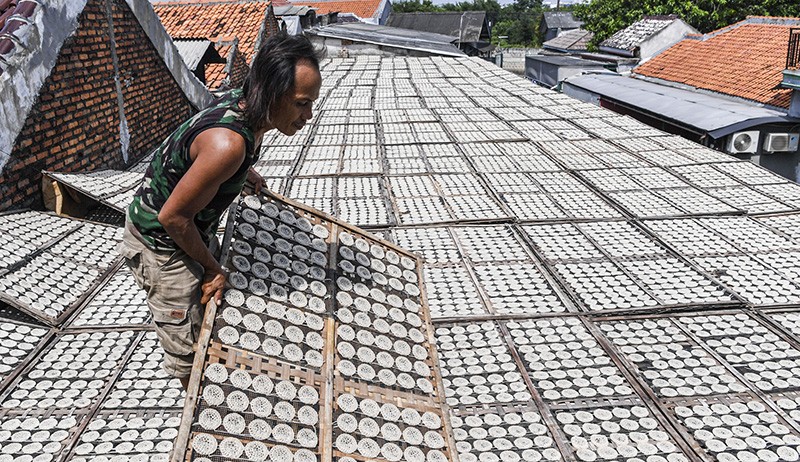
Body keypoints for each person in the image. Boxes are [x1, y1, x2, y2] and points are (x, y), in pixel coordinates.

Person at [117, 33, 324, 389]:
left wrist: (245, 172)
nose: (308, 115)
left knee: (213, 307)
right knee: (190, 352)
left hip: (186, 223)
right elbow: (173, 218)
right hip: (160, 244)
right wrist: (213, 268)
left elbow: (208, 161)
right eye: (302, 104)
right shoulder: (227, 145)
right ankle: (198, 417)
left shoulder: (246, 109)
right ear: (272, 94)